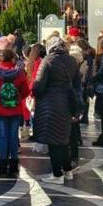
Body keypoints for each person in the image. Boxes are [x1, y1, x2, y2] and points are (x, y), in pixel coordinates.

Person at [32, 35, 81, 184]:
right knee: (63, 139)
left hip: (49, 105)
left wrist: (35, 94)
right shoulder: (72, 61)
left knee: (53, 140)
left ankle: (57, 174)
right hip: (66, 104)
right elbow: (77, 84)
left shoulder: (48, 60)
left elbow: (38, 85)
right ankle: (67, 170)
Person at [0, 46, 28, 179]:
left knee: (2, 137)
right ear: (13, 59)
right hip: (15, 109)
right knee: (13, 136)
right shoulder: (20, 74)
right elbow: (26, 91)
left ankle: (2, 167)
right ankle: (14, 166)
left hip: (0, 109)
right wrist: (18, 97)